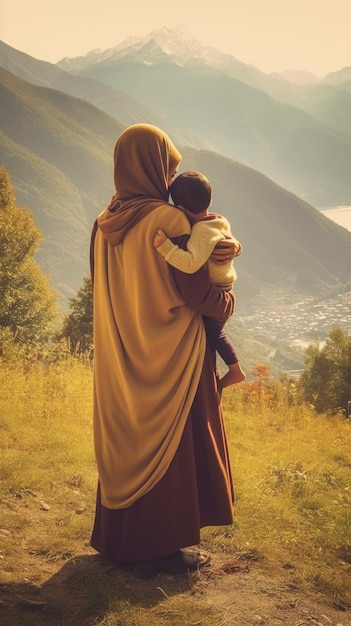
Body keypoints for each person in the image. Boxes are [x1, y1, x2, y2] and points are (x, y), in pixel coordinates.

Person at [90, 124, 238, 579]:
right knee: (175, 446)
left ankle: (122, 542)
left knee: (130, 440)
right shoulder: (169, 221)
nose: (171, 180)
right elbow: (200, 296)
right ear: (154, 167)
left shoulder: (104, 224)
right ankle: (161, 550)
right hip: (175, 354)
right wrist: (227, 301)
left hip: (123, 354)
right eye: (169, 167)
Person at [153, 171, 246, 389]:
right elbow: (230, 242)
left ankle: (235, 371)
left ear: (180, 210)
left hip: (218, 291)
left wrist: (165, 247)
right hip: (225, 287)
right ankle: (234, 371)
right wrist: (238, 248)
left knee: (212, 335)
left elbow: (191, 264)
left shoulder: (202, 231)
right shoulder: (218, 220)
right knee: (213, 334)